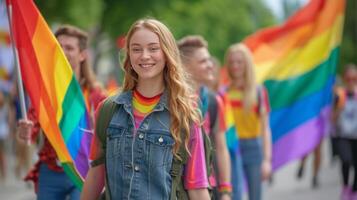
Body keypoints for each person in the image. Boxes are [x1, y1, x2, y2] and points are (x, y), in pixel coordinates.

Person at [81, 18, 210, 200]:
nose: (144, 55)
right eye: (136, 49)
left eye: (153, 48)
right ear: (129, 55)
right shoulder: (108, 110)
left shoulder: (186, 115)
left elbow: (197, 186)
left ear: (167, 53)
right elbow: (96, 174)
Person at [17, 25, 106, 200]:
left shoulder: (96, 96)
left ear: (82, 54)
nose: (62, 51)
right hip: (50, 172)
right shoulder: (44, 93)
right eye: (58, 47)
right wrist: (24, 132)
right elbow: (30, 132)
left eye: (69, 48)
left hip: (83, 172)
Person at [177, 35, 232, 199]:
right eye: (203, 61)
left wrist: (226, 190)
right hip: (177, 187)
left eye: (209, 60)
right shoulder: (173, 102)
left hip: (208, 185)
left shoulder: (215, 101)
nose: (210, 66)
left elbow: (221, 148)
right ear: (185, 66)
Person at [223, 43, 272, 200]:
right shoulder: (223, 93)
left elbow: (265, 129)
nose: (235, 66)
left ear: (247, 64)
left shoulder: (259, 91)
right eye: (231, 62)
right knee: (234, 194)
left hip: (253, 146)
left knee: (255, 196)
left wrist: (266, 160)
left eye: (239, 62)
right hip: (231, 148)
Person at [331, 64, 357, 200]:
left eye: (355, 78)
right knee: (346, 160)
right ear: (345, 79)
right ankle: (345, 188)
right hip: (343, 135)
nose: (352, 81)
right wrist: (339, 108)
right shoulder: (340, 95)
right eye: (349, 78)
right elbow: (332, 119)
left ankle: (354, 189)